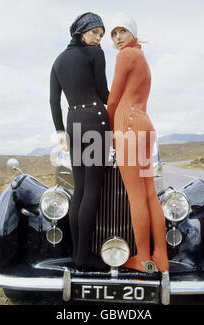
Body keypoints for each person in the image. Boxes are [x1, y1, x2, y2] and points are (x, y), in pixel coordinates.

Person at [107, 13, 169, 273]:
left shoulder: (125, 56)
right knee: (150, 194)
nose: (118, 38)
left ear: (132, 33)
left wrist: (108, 131)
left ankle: (143, 258)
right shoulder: (142, 58)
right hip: (145, 124)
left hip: (128, 126)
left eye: (122, 31)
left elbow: (113, 98)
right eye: (114, 33)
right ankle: (161, 257)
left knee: (135, 197)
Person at [50, 12, 110, 270]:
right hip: (96, 122)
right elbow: (104, 94)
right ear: (82, 31)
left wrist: (60, 131)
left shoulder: (59, 60)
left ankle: (77, 255)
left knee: (79, 190)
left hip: (73, 125)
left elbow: (54, 101)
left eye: (101, 34)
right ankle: (85, 257)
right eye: (95, 32)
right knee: (92, 190)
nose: (98, 38)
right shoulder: (95, 55)